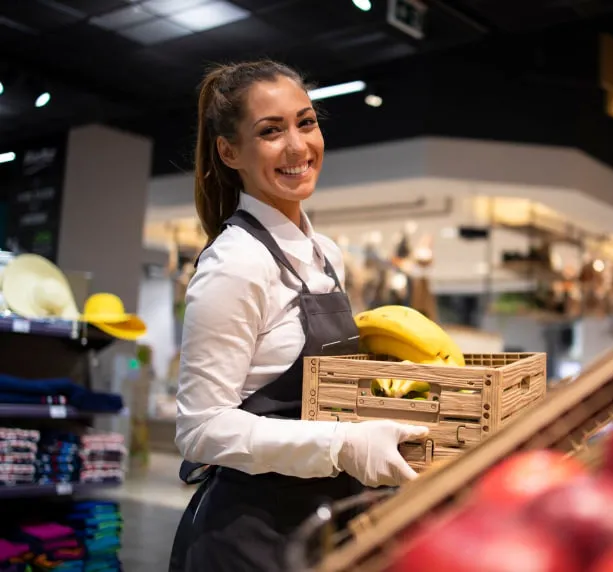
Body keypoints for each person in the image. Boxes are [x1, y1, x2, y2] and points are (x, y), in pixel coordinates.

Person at [168, 60, 429, 572]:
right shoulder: (235, 263)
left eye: (305, 122)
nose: (296, 146)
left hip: (322, 524)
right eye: (270, 131)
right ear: (229, 151)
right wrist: (344, 445)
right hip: (248, 536)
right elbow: (201, 429)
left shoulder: (326, 253)